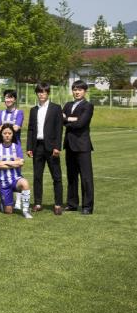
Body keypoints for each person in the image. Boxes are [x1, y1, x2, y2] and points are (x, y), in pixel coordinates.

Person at [26, 82, 64, 215]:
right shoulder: (33, 110)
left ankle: (58, 204)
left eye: (44, 92)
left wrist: (57, 147)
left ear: (48, 93)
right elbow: (31, 129)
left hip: (51, 147)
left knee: (56, 177)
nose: (42, 94)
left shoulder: (56, 108)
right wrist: (29, 147)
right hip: (37, 147)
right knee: (37, 176)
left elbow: (59, 129)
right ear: (36, 94)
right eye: (39, 92)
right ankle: (37, 203)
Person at [62, 80, 95, 214]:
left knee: (86, 178)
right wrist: (72, 119)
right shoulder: (68, 105)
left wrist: (68, 119)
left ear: (85, 91)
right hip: (69, 145)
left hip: (82, 146)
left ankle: (87, 206)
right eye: (75, 89)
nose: (77, 92)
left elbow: (81, 123)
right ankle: (72, 204)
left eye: (80, 90)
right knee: (71, 176)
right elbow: (60, 119)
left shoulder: (88, 106)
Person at [0, 123, 33, 219]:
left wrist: (4, 162)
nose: (7, 135)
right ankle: (3, 205)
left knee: (25, 183)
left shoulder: (17, 147)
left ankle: (25, 211)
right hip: (4, 182)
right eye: (5, 133)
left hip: (16, 179)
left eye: (9, 133)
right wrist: (14, 162)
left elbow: (20, 163)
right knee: (8, 211)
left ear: (13, 134)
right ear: (1, 134)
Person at [0, 89, 24, 209]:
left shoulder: (19, 113)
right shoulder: (1, 113)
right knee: (1, 171)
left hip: (15, 146)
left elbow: (16, 128)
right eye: (7, 97)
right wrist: (7, 127)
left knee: (16, 173)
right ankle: (4, 199)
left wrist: (3, 127)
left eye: (11, 97)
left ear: (14, 99)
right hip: (2, 146)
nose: (8, 100)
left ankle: (18, 202)